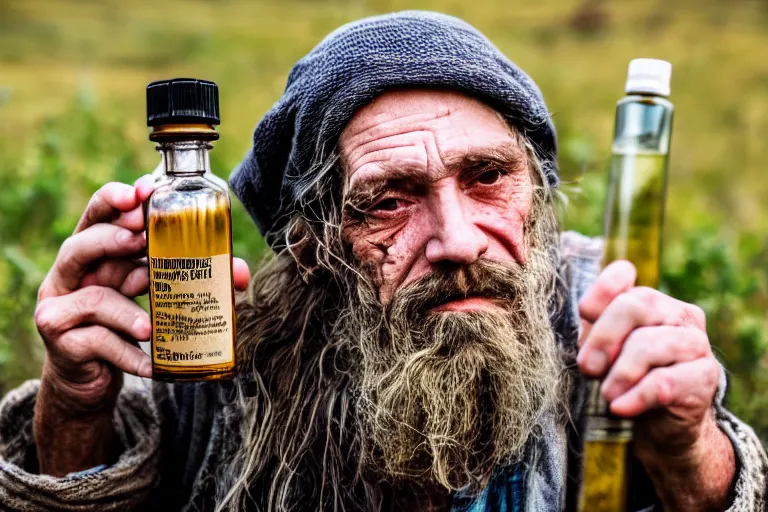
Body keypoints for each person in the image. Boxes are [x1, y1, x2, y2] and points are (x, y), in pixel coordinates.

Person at [0, 11, 765, 512]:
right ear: (313, 245)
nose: (459, 240)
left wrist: (690, 450)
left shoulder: (603, 314)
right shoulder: (218, 366)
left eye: (488, 177)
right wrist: (74, 404)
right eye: (389, 199)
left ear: (536, 189)